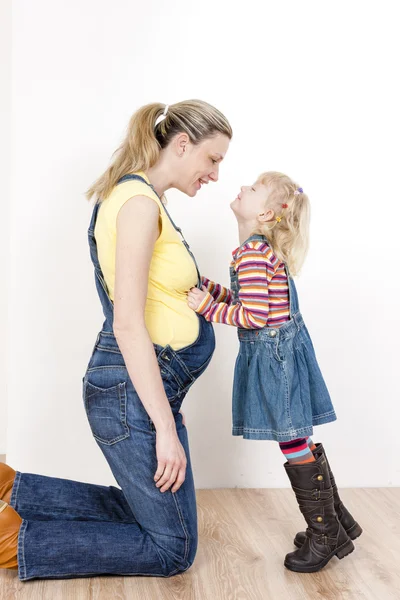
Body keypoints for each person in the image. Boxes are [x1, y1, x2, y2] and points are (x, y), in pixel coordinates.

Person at [0, 100, 232, 580]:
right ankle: (8, 541)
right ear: (183, 144)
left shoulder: (145, 199)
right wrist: (164, 428)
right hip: (127, 393)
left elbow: (161, 300)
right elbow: (128, 323)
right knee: (173, 549)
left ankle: (9, 490)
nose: (214, 174)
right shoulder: (139, 204)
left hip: (142, 391)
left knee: (157, 521)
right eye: (213, 159)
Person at [187, 171, 362, 573]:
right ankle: (337, 525)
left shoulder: (251, 254)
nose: (243, 188)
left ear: (264, 212)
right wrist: (214, 291)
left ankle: (324, 535)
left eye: (253, 188)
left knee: (291, 440)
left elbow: (254, 315)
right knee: (299, 436)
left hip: (274, 358)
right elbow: (252, 300)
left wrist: (206, 309)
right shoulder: (260, 251)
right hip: (287, 352)